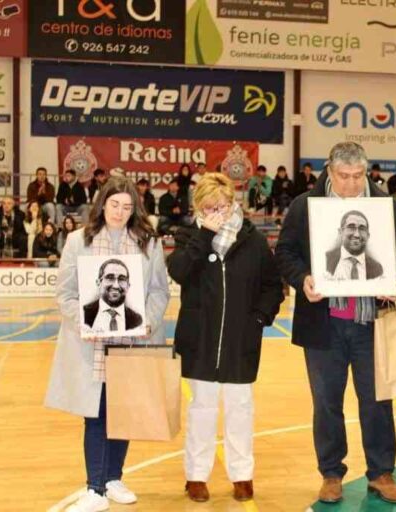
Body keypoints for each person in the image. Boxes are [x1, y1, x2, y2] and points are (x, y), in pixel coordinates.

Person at [275, 141, 396, 505]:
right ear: (329, 170)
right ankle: (331, 473)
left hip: (372, 324)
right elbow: (285, 252)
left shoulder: (384, 205)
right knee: (326, 403)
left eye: (357, 176)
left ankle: (382, 473)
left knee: (376, 402)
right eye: (343, 176)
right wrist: (303, 278)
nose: (351, 184)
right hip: (324, 326)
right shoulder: (304, 205)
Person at [45, 176, 169, 512]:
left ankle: (113, 477)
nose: (120, 212)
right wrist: (85, 321)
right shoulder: (77, 240)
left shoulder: (148, 242)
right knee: (97, 414)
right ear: (102, 204)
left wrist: (149, 321)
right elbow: (65, 294)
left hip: (132, 343)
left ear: (135, 209)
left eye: (127, 207)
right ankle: (95, 487)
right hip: (92, 345)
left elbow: (160, 291)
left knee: (123, 412)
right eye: (114, 204)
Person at [167, 173, 284, 503]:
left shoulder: (254, 241)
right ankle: (196, 476)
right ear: (198, 208)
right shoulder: (189, 235)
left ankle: (242, 475)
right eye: (209, 207)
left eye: (223, 205)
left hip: (240, 343)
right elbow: (178, 271)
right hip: (199, 341)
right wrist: (205, 235)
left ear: (234, 203)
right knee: (201, 408)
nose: (218, 211)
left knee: (240, 409)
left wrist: (259, 318)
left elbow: (273, 286)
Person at [82, 258, 143, 333]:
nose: (116, 286)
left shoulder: (137, 320)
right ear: (98, 283)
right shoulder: (83, 313)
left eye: (122, 279)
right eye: (110, 278)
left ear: (128, 286)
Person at [325, 210, 383, 280]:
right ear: (340, 232)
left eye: (362, 229)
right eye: (351, 227)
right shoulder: (326, 260)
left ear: (368, 235)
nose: (357, 235)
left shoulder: (377, 268)